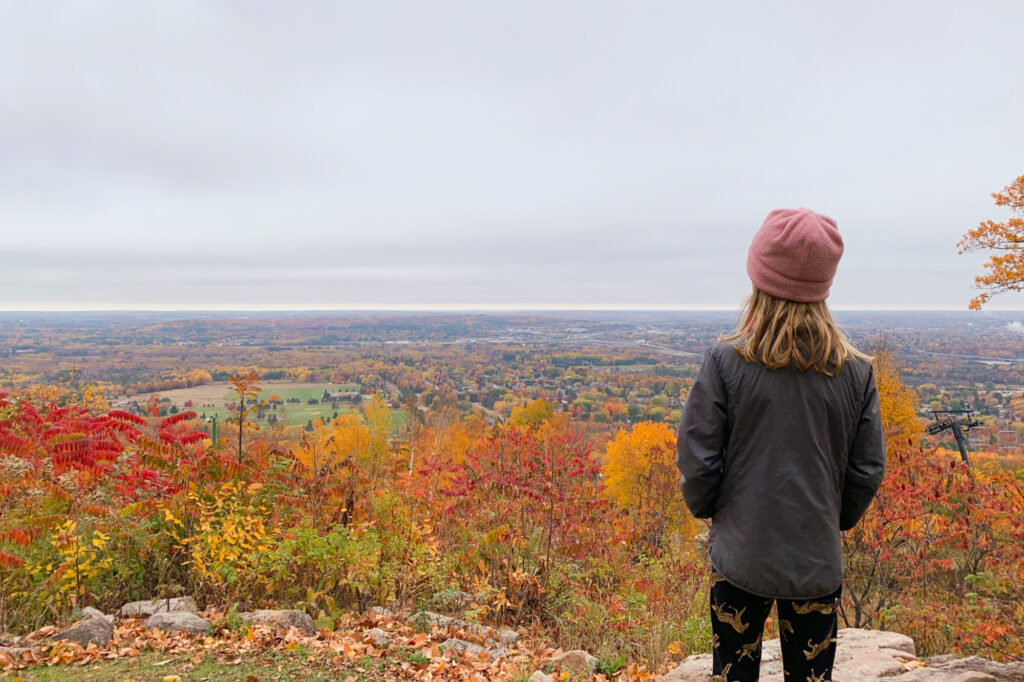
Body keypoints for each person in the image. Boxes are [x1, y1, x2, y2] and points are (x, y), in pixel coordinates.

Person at [676, 207, 887, 682]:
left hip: (739, 556)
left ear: (758, 279)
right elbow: (867, 468)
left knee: (734, 676)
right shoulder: (856, 372)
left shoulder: (726, 362)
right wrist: (832, 521)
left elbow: (697, 458)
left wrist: (717, 514)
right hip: (816, 557)